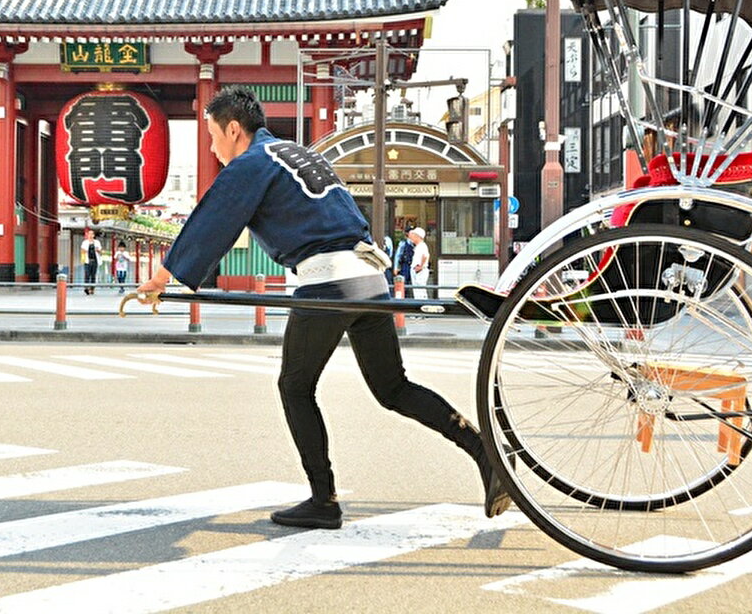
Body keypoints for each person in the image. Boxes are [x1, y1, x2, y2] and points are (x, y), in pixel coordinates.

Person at [137, 86, 510, 529]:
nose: (213, 149)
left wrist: (161, 280)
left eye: (213, 136)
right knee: (393, 387)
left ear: (234, 129)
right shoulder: (296, 154)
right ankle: (482, 451)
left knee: (295, 387)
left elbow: (212, 221)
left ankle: (323, 498)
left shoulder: (252, 163)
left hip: (328, 280)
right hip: (370, 279)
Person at [409, 227, 430, 299]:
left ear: (418, 236)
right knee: (417, 290)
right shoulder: (419, 246)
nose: (412, 237)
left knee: (419, 291)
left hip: (420, 271)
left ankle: (422, 306)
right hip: (417, 270)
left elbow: (426, 256)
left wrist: (421, 266)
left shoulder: (422, 246)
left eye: (413, 235)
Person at [393, 227, 414, 297]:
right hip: (405, 265)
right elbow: (398, 255)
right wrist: (395, 267)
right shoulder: (403, 243)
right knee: (404, 283)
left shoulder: (416, 243)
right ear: (407, 234)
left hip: (414, 266)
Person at [80, 228, 102, 295]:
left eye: (92, 234)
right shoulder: (85, 242)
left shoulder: (97, 242)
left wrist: (98, 250)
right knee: (87, 274)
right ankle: (86, 288)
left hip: (95, 261)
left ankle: (92, 288)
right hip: (87, 261)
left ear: (94, 235)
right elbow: (82, 251)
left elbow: (101, 252)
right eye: (89, 234)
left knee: (93, 275)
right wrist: (84, 251)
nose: (90, 235)